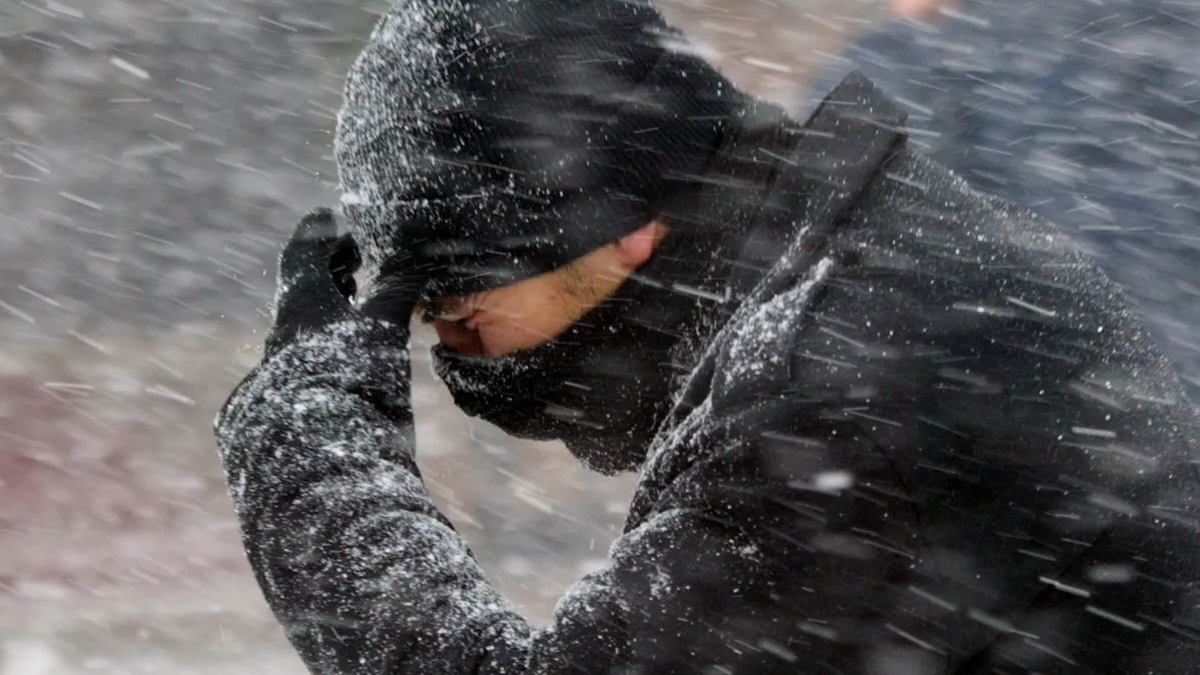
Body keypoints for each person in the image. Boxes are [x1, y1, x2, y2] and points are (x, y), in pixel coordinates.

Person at [215, 0, 1200, 673]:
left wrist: (310, 459)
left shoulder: (841, 392)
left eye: (459, 307)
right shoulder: (856, 265)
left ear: (619, 229)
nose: (444, 345)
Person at [816, 0, 1200, 402]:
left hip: (1045, 412)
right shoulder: (1169, 37)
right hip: (1163, 390)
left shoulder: (923, 62)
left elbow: (842, 263)